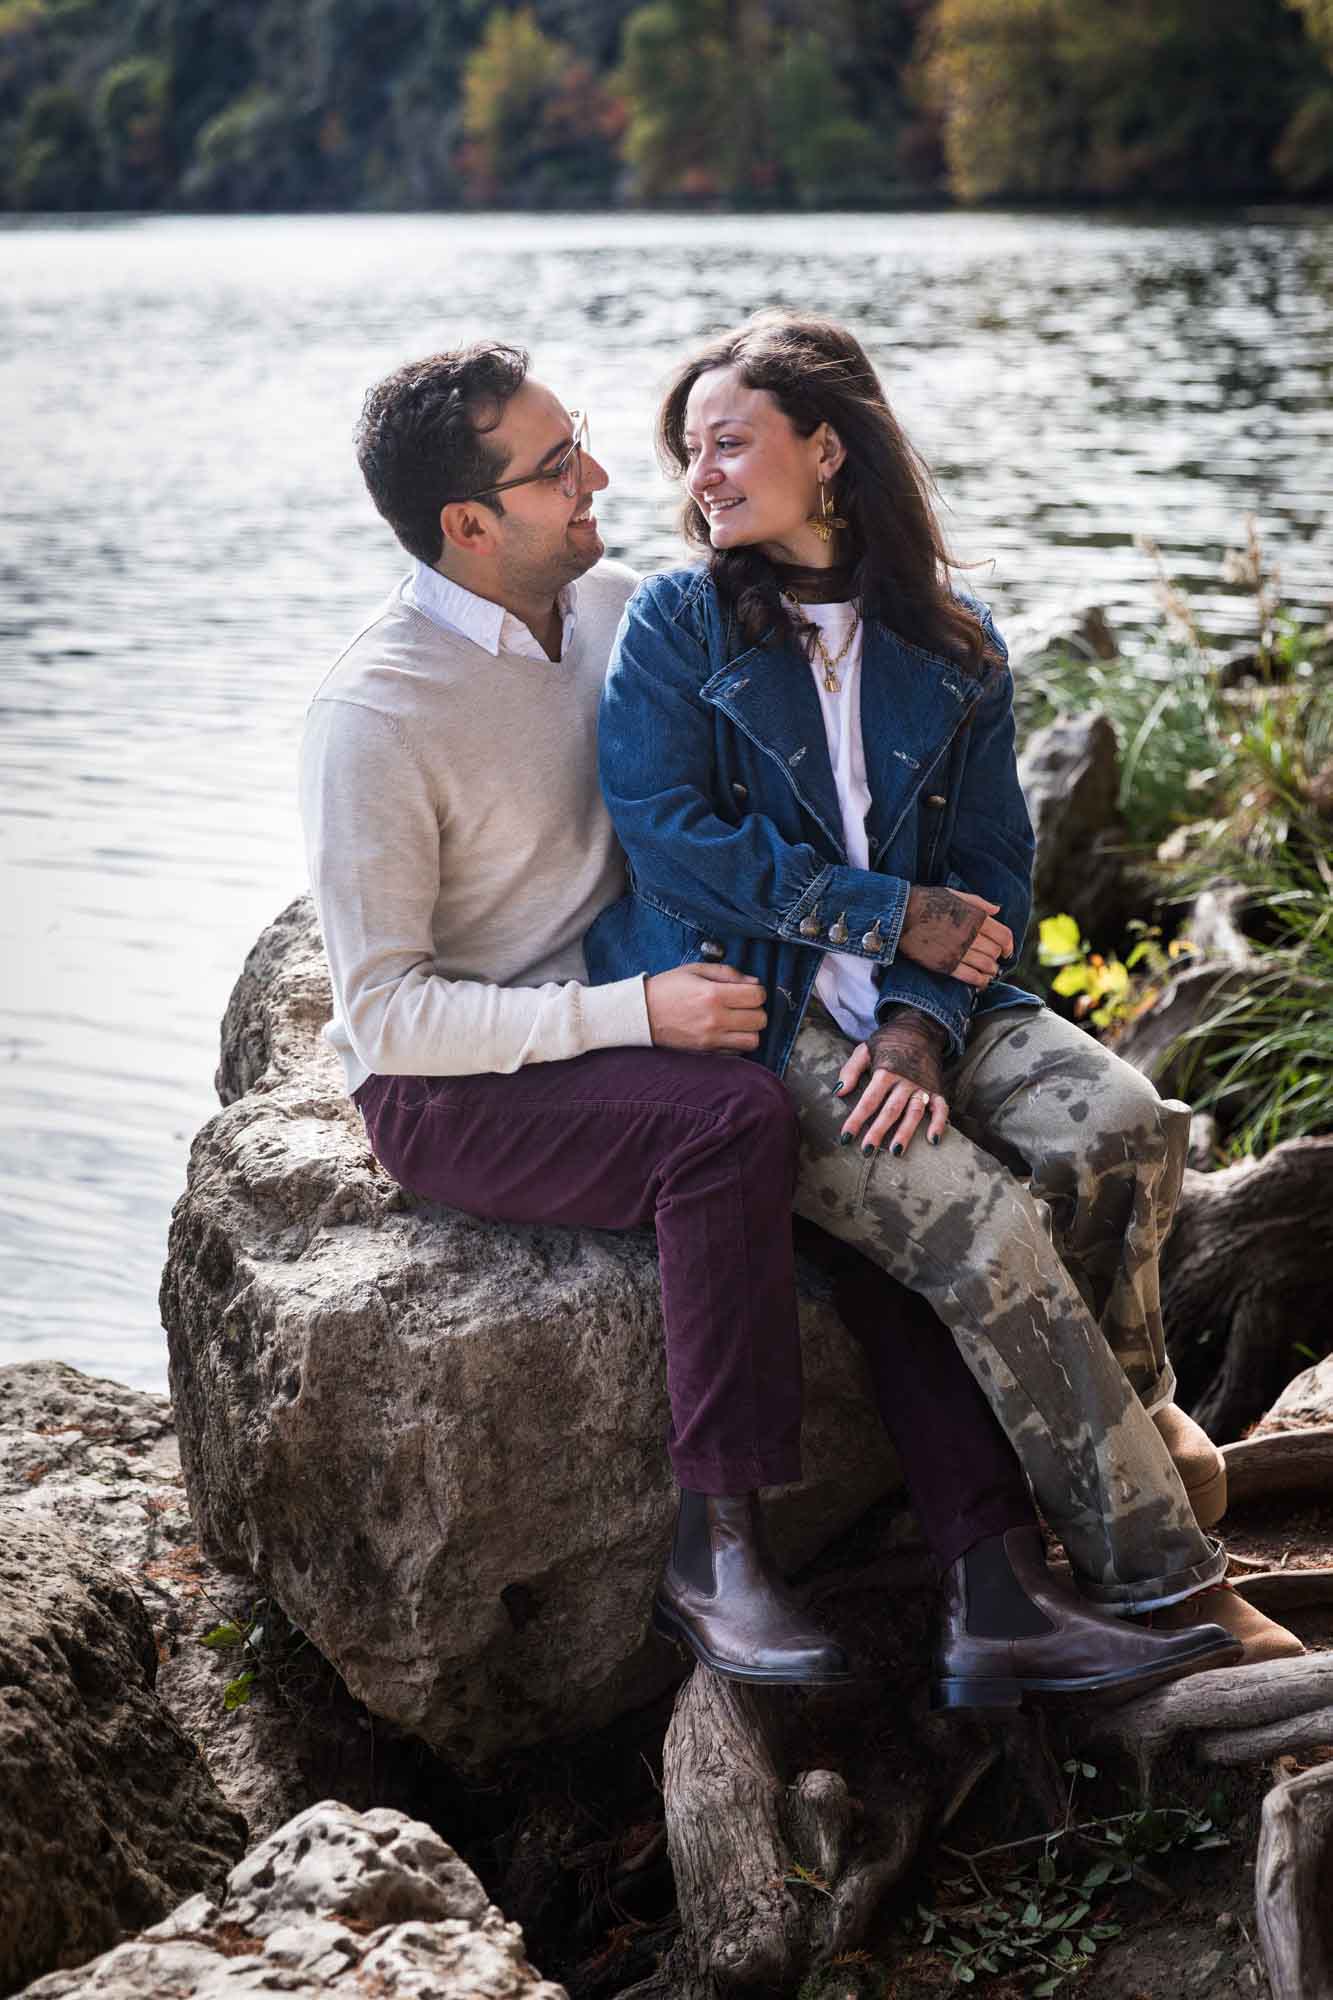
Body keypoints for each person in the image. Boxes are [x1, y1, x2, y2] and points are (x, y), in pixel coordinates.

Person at [299, 340, 1245, 1718]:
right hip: (475, 1073)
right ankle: (732, 1552)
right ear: (467, 522)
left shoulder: (618, 607)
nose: (611, 478)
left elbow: (917, 822)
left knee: (1030, 1156)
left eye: (593, 445)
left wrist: (914, 1012)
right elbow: (382, 1015)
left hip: (699, 997)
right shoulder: (373, 716)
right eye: (560, 465)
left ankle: (1004, 1576)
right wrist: (644, 1007)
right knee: (755, 1133)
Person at [588, 310, 1301, 1676]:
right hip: (762, 1005)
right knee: (976, 1229)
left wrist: (922, 1019)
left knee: (1128, 1126)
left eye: (728, 445)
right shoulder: (680, 623)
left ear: (828, 450)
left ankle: (1134, 1417)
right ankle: (1161, 1581)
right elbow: (669, 837)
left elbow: (987, 870)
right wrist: (880, 914)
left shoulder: (953, 644)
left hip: (918, 1002)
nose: (702, 481)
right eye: (690, 454)